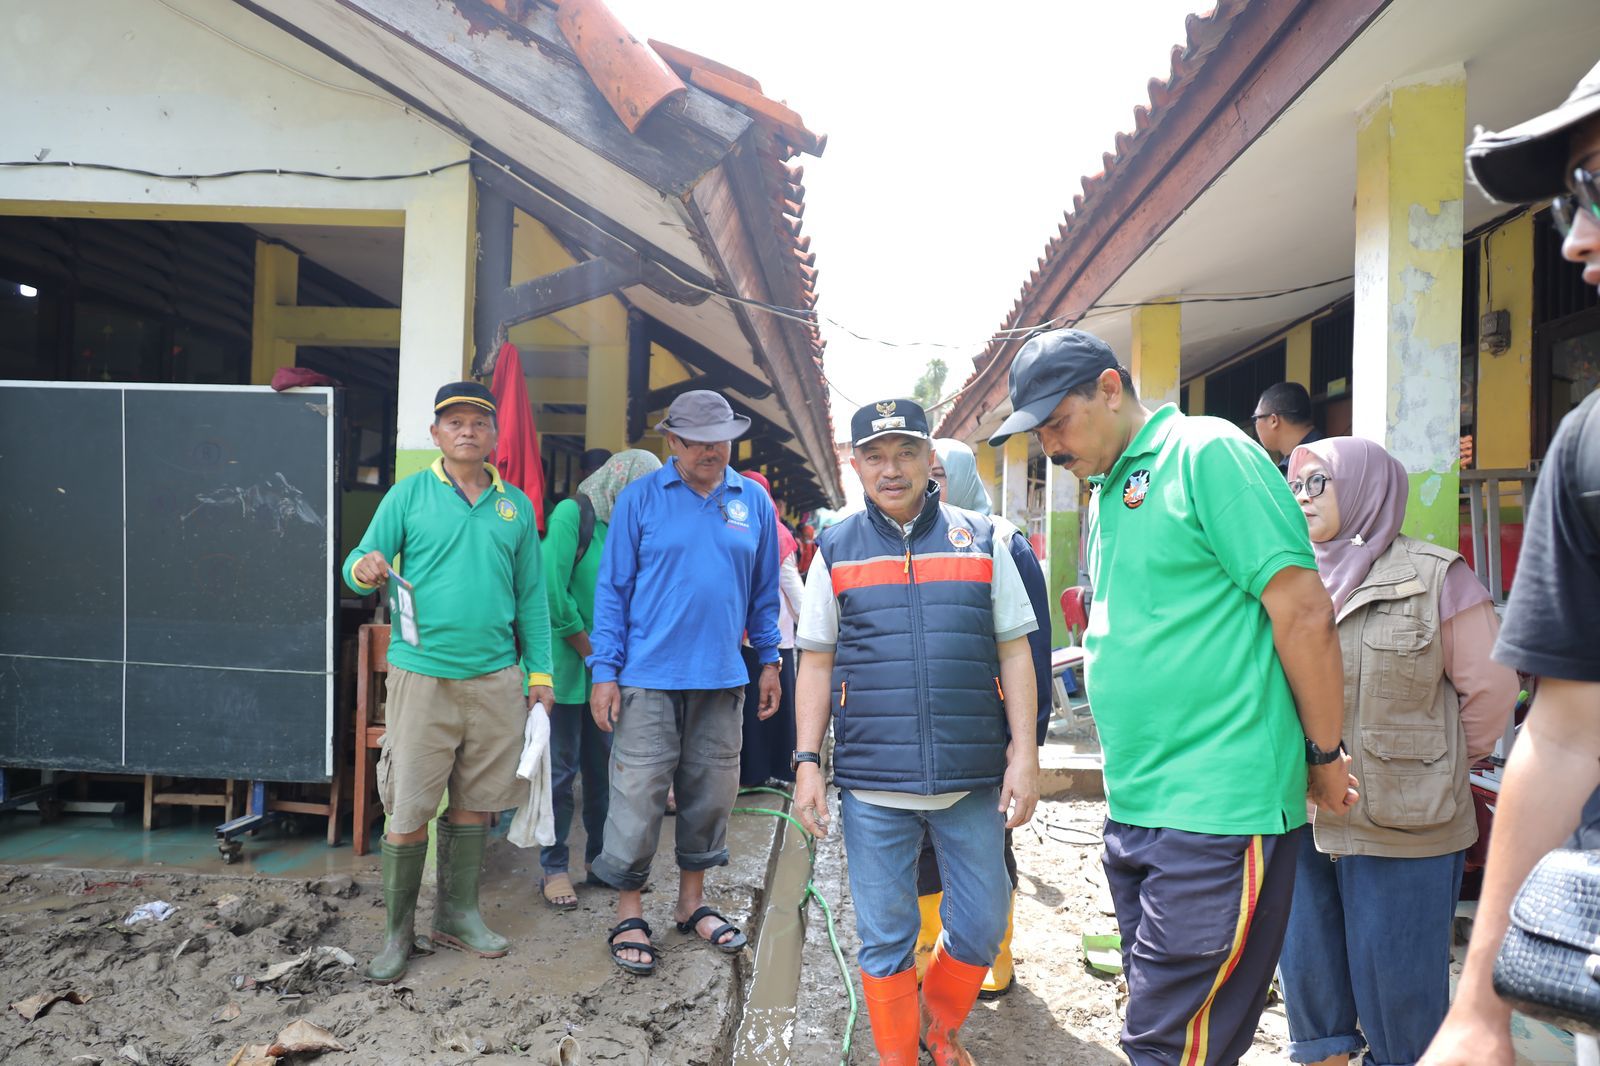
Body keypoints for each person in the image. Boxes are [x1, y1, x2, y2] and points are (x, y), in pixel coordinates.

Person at [990, 329, 1356, 1066]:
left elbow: (1303, 612)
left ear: (1110, 387)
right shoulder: (1112, 489)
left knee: (1166, 1043)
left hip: (1217, 805)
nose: (1051, 447)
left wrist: (1324, 752)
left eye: (1058, 421)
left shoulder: (1207, 454)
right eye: (1039, 434)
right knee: (1179, 1032)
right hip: (1139, 806)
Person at [1420, 59, 1600, 1066]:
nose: (1575, 235)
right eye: (1566, 200)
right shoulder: (1584, 452)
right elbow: (1567, 732)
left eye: (1595, 186)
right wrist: (1481, 1006)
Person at [793, 399, 1040, 1066]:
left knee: (984, 923)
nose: (891, 468)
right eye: (874, 455)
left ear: (932, 457)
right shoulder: (836, 548)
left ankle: (938, 1025)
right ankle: (904, 1056)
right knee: (882, 938)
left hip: (971, 778)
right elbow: (815, 660)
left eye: (904, 452)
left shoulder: (982, 537)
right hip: (874, 784)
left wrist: (1025, 752)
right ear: (855, 465)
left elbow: (1015, 649)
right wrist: (807, 762)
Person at [1277, 437, 1517, 1066]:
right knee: (1312, 991)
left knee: (1402, 1006)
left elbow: (1492, 690)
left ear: (1363, 487)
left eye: (1317, 483)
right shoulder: (1288, 576)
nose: (1301, 498)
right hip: (1298, 814)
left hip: (1405, 825)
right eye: (1295, 485)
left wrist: (1434, 766)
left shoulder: (1438, 576)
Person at [342, 381, 555, 984]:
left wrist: (540, 674)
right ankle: (396, 933)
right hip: (423, 677)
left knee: (473, 803)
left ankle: (457, 915)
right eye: (454, 422)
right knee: (408, 804)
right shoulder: (408, 496)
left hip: (495, 678)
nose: (467, 431)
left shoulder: (515, 507)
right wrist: (363, 568)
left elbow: (532, 599)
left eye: (478, 423)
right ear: (435, 434)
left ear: (495, 437)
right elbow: (359, 562)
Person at [586, 389, 781, 976]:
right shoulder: (641, 499)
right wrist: (605, 671)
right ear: (671, 441)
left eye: (720, 439)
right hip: (647, 676)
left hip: (722, 678)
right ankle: (628, 911)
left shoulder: (753, 502)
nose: (711, 451)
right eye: (697, 441)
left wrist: (769, 660)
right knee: (639, 795)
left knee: (709, 794)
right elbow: (612, 590)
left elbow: (764, 593)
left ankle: (691, 903)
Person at [912, 437, 1054, 1000]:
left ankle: (995, 952)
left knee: (990, 848)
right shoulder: (902, 544)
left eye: (939, 474)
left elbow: (1032, 656)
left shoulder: (1004, 545)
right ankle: (930, 953)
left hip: (986, 739)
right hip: (925, 738)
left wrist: (1025, 747)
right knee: (924, 850)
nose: (927, 485)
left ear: (964, 477)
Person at [536, 449, 661, 909]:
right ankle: (553, 867)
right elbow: (551, 590)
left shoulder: (633, 525)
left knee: (605, 773)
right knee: (560, 774)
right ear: (617, 481)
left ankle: (598, 861)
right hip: (569, 670)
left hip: (611, 674)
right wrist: (594, 654)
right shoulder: (574, 515)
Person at [738, 469, 804, 787]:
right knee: (775, 708)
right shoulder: (778, 535)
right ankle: (777, 770)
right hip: (776, 640)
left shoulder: (736, 527)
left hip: (742, 637)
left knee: (750, 708)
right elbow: (794, 591)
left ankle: (750, 773)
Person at [1252, 382, 1322, 476]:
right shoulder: (1323, 451)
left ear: (1273, 421)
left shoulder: (1316, 461)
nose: (1255, 423)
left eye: (1256, 418)